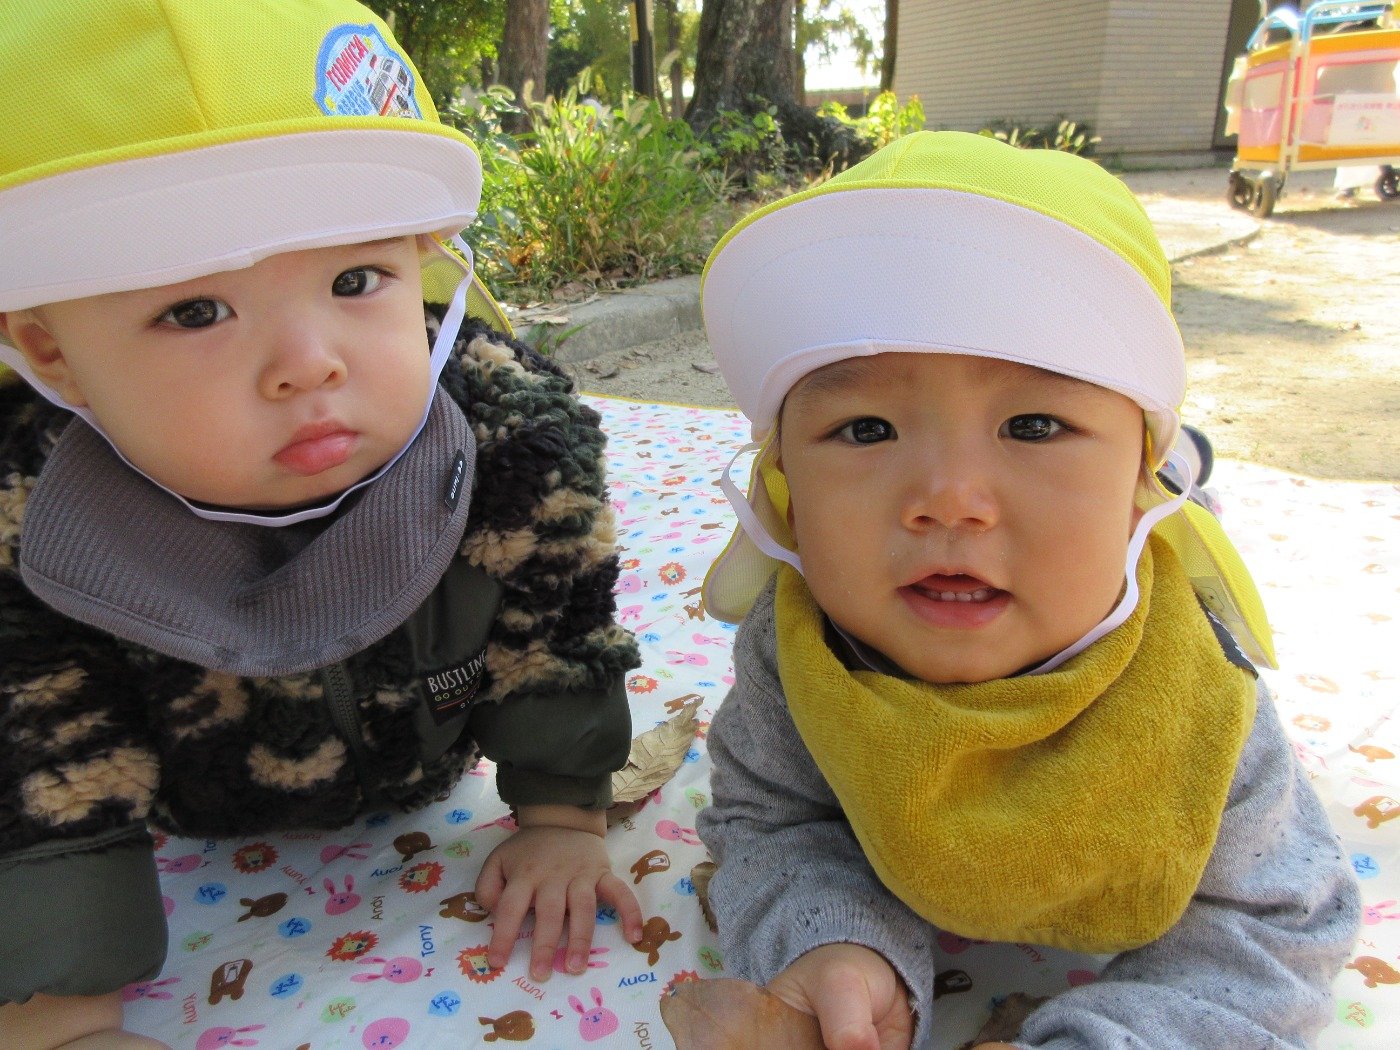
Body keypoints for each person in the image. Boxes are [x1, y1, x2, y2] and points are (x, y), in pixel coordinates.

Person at [0, 2, 643, 1046]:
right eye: (195, 311)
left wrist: (564, 815)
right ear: (52, 353)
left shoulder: (507, 446)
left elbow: (555, 632)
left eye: (355, 281)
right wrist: (58, 1009)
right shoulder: (31, 525)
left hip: (427, 770)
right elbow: (34, 756)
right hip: (189, 813)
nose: (309, 363)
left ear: (423, 260)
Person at [694, 131, 1360, 1050]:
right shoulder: (799, 660)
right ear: (785, 492)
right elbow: (773, 821)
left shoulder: (1200, 693)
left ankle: (1180, 463)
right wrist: (834, 941)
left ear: (1136, 483)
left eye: (1035, 424)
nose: (948, 500)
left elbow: (1279, 925)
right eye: (867, 428)